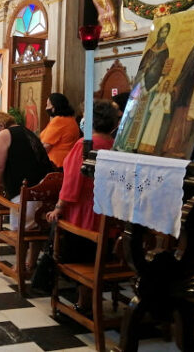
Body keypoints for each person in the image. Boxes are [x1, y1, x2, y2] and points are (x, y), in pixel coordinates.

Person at [46, 100, 120, 311]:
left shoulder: (85, 144)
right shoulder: (116, 146)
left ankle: (83, 301)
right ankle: (89, 299)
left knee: (82, 257)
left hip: (83, 213)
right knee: (97, 256)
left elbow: (72, 180)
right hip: (108, 211)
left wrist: (59, 207)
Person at [0, 111, 54, 273]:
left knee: (20, 230)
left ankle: (19, 267)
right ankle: (31, 263)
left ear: (1, 126)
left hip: (23, 190)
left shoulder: (5, 134)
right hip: (43, 187)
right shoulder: (27, 131)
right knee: (35, 228)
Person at [163, 17, 194, 158]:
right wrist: (178, 83)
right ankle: (171, 145)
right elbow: (187, 65)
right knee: (180, 113)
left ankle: (183, 146)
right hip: (187, 84)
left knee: (191, 115)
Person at [40, 93, 80, 168]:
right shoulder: (72, 120)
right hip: (67, 162)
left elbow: (46, 146)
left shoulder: (58, 120)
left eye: (48, 105)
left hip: (54, 163)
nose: (46, 108)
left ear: (55, 107)